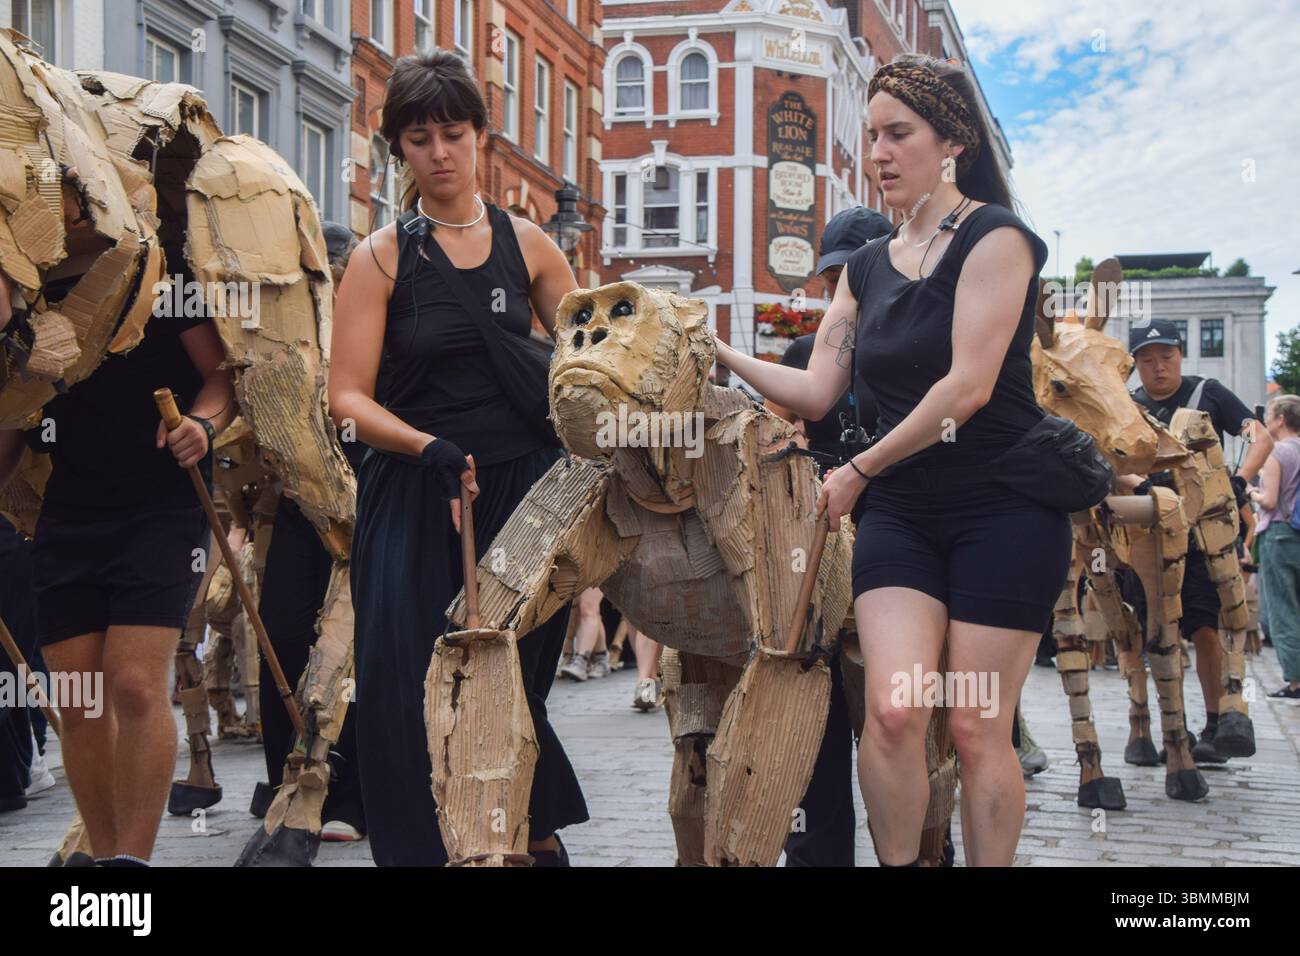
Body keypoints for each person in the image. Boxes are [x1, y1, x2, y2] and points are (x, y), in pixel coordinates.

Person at [714, 54, 1067, 866]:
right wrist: (718, 348)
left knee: (977, 727)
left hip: (1003, 505)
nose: (877, 152)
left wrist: (860, 467)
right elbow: (815, 389)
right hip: (903, 513)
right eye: (870, 134)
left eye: (897, 134)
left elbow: (966, 389)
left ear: (953, 145)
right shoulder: (866, 269)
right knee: (896, 712)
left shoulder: (996, 239)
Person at [328, 50, 588, 866]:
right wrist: (426, 446)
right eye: (418, 138)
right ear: (398, 150)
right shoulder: (379, 259)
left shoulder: (535, 247)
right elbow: (348, 397)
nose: (438, 152)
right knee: (408, 689)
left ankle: (525, 843)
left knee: (511, 691)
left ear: (481, 136)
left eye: (453, 132)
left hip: (522, 495)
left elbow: (589, 369)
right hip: (412, 487)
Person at [0, 178, 236, 866]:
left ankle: (132, 864)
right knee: (77, 698)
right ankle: (106, 866)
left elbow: (220, 376)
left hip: (161, 502)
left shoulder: (158, 272)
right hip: (67, 511)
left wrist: (202, 424)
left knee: (134, 682)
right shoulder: (27, 287)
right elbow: (13, 417)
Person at [774, 206, 890, 867]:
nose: (840, 287)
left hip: (894, 531)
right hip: (818, 540)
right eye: (833, 277)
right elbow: (775, 424)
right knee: (814, 709)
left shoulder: (911, 349)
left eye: (852, 273)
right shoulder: (805, 352)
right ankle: (819, 857)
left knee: (898, 709)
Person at [253, 222, 368, 842]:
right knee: (285, 630)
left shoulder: (381, 326)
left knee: (354, 648)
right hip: (300, 506)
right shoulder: (287, 331)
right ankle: (286, 779)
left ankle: (350, 792)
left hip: (370, 500)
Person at [1120, 318, 1274, 760]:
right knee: (1152, 630)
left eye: (1166, 357)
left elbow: (1256, 434)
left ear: (1179, 356)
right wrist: (1139, 485)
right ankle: (1161, 725)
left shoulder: (1208, 392)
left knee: (1205, 624)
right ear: (1136, 365)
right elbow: (1109, 455)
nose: (1158, 368)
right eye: (1147, 361)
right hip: (1148, 531)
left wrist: (1240, 481)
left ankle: (1217, 722)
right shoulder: (1128, 406)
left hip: (1202, 530)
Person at [1253, 394, 1300, 699]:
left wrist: (1251, 492)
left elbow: (1270, 500)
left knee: (1284, 609)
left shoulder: (1277, 452)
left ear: (1281, 419)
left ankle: (1296, 680)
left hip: (1281, 534)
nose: (1267, 422)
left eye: (1269, 416)